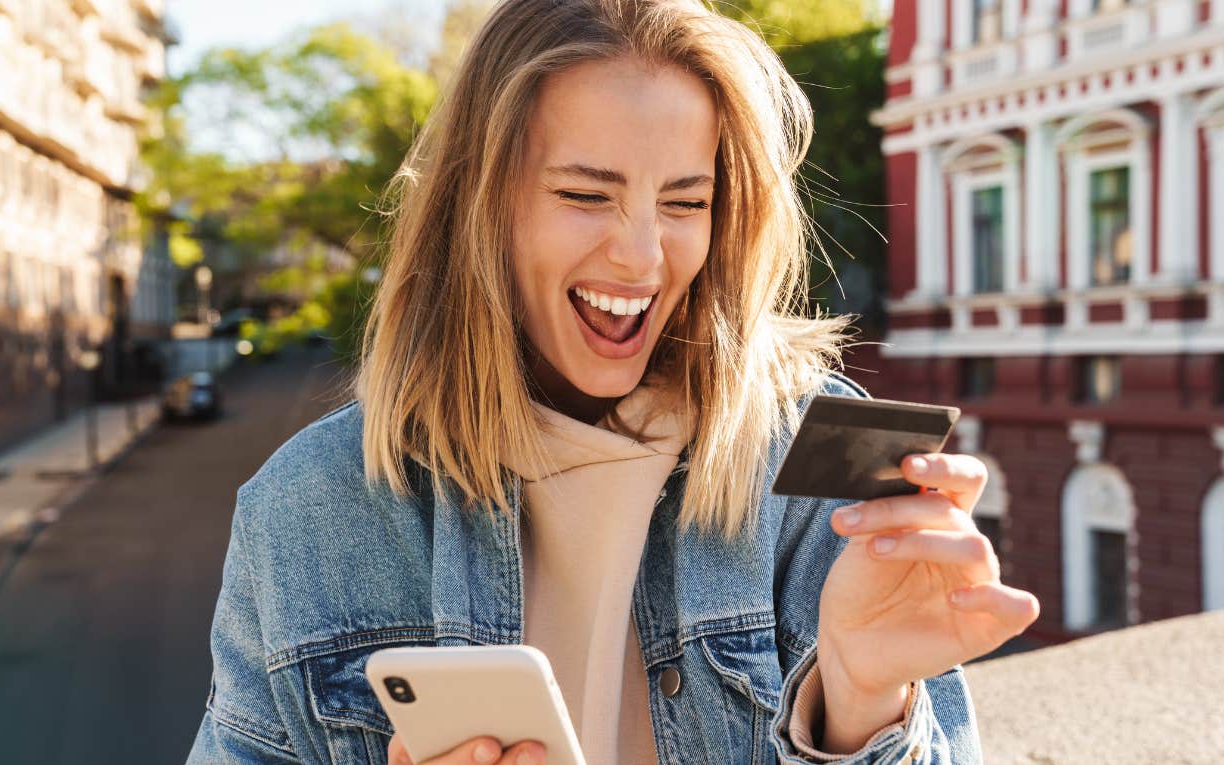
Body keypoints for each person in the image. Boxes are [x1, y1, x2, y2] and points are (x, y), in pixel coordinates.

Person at [185, 0, 1041, 762]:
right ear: (482, 208)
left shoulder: (813, 468)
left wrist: (859, 707)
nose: (642, 255)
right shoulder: (305, 511)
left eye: (685, 202)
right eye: (586, 196)